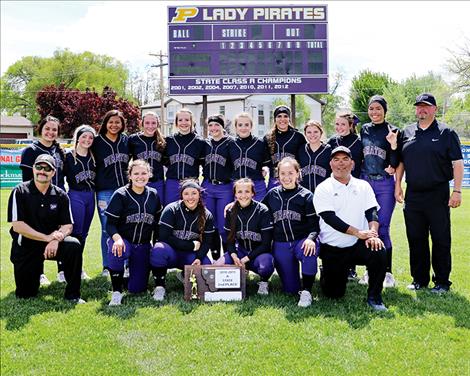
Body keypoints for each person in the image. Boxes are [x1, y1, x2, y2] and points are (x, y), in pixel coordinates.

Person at [395, 93, 464, 293]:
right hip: (413, 194)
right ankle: (419, 279)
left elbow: (457, 164)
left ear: (434, 109)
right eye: (419, 106)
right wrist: (398, 185)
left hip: (438, 193)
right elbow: (401, 162)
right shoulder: (406, 132)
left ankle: (442, 282)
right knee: (416, 238)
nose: (422, 110)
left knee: (441, 239)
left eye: (426, 106)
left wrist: (457, 191)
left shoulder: (446, 132)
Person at [313, 146, 388, 311]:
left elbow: (372, 211)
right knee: (334, 294)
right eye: (336, 160)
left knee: (379, 250)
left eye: (345, 159)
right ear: (330, 164)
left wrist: (373, 234)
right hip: (334, 248)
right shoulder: (323, 188)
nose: (341, 164)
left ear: (353, 164)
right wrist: (358, 232)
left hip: (357, 244)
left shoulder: (363, 185)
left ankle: (375, 297)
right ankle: (326, 272)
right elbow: (330, 218)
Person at [7, 154, 84, 303]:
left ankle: (73, 295)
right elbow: (17, 226)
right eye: (39, 167)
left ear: (53, 172)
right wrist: (47, 238)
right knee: (26, 295)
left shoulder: (61, 195)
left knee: (73, 245)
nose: (42, 171)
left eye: (47, 168)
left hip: (52, 244)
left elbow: (68, 225)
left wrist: (56, 239)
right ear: (33, 169)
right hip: (27, 246)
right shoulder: (20, 191)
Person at [262, 157, 319, 307]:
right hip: (281, 244)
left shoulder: (306, 196)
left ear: (297, 174)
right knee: (290, 289)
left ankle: (307, 291)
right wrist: (233, 205)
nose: (286, 177)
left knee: (309, 251)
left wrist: (311, 239)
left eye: (290, 173)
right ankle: (296, 286)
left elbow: (314, 226)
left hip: (301, 241)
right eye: (282, 173)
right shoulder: (272, 194)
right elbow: (257, 210)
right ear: (277, 175)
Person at [105, 160, 162, 305]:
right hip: (124, 241)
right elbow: (110, 225)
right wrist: (117, 239)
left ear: (149, 175)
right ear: (129, 175)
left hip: (142, 245)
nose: (140, 177)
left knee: (137, 288)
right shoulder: (121, 194)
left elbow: (156, 224)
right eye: (136, 173)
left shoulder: (153, 194)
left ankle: (127, 276)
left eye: (144, 173)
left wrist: (156, 245)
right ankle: (116, 290)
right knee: (116, 248)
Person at [150, 180, 215, 301]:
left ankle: (184, 274)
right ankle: (159, 286)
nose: (190, 197)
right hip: (171, 253)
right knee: (158, 249)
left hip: (189, 256)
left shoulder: (206, 215)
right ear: (181, 195)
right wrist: (190, 246)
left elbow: (207, 242)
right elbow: (164, 237)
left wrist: (199, 257)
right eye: (186, 194)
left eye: (194, 193)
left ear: (199, 194)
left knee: (206, 265)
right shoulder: (171, 209)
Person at [359, 95, 399, 288]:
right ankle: (369, 269)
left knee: (382, 227)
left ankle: (388, 272)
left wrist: (392, 145)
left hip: (384, 184)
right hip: (366, 181)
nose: (374, 112)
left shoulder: (392, 130)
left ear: (384, 110)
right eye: (371, 109)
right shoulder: (364, 129)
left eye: (378, 109)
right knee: (367, 227)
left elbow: (396, 161)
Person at [20, 115, 66, 285]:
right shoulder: (31, 151)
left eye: (54, 129)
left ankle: (62, 271)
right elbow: (26, 181)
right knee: (39, 234)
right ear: (41, 129)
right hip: (37, 200)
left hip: (58, 199)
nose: (51, 132)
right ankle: (39, 273)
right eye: (47, 128)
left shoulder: (60, 151)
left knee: (59, 233)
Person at [215, 178, 275, 295]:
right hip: (241, 251)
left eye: (247, 191)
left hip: (259, 253)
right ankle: (237, 276)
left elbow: (266, 244)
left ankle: (264, 282)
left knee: (265, 265)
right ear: (235, 194)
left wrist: (246, 259)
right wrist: (234, 256)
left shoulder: (262, 211)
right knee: (217, 265)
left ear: (253, 193)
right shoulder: (231, 211)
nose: (243, 195)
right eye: (240, 192)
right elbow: (230, 240)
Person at [92, 109, 129, 276]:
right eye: (111, 121)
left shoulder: (126, 140)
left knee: (125, 227)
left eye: (118, 122)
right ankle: (107, 266)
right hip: (105, 191)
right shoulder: (96, 142)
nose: (114, 125)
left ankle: (126, 263)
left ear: (122, 124)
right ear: (105, 123)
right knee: (107, 228)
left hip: (124, 191)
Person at [64, 125, 97, 281]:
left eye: (90, 138)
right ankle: (68, 268)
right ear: (77, 137)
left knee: (84, 233)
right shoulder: (68, 156)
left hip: (91, 196)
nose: (87, 140)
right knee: (75, 233)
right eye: (84, 136)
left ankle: (79, 267)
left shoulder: (94, 156)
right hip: (75, 195)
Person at [202, 114, 234, 260]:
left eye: (217, 125)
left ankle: (227, 259)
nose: (213, 128)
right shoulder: (205, 143)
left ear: (222, 127)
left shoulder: (230, 143)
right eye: (211, 125)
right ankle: (215, 259)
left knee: (224, 224)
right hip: (208, 185)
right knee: (210, 224)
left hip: (225, 187)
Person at [164, 108, 206, 205]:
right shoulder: (169, 140)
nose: (184, 123)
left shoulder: (199, 142)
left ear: (192, 122)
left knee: (191, 213)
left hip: (191, 183)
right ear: (176, 122)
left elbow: (204, 165)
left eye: (187, 120)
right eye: (180, 120)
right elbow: (164, 161)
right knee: (171, 212)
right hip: (172, 183)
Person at [228, 112, 271, 201]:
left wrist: (266, 168)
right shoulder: (231, 144)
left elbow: (267, 163)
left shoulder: (260, 143)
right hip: (238, 187)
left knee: (259, 212)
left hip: (257, 186)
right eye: (240, 125)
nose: (243, 128)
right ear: (236, 127)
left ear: (251, 126)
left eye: (246, 125)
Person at [264, 105, 306, 191]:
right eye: (279, 116)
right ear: (275, 119)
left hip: (293, 180)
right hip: (274, 180)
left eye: (285, 116)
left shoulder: (298, 136)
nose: (282, 119)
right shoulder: (268, 137)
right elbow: (264, 161)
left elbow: (303, 160)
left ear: (289, 119)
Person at [128, 111, 166, 199]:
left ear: (158, 124)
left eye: (153, 123)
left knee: (158, 210)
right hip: (139, 182)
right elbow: (125, 161)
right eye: (147, 123)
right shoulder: (133, 139)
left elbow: (167, 161)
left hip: (158, 182)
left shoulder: (163, 141)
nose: (150, 126)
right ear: (142, 123)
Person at [297, 120, 332, 193]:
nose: (312, 135)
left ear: (321, 133)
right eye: (309, 132)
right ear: (305, 134)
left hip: (324, 193)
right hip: (304, 193)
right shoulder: (301, 149)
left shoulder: (329, 149)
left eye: (315, 132)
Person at [327, 111, 363, 178]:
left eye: (343, 124)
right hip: (336, 183)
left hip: (354, 183)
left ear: (350, 126)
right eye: (337, 124)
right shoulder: (332, 141)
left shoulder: (359, 142)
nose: (339, 127)